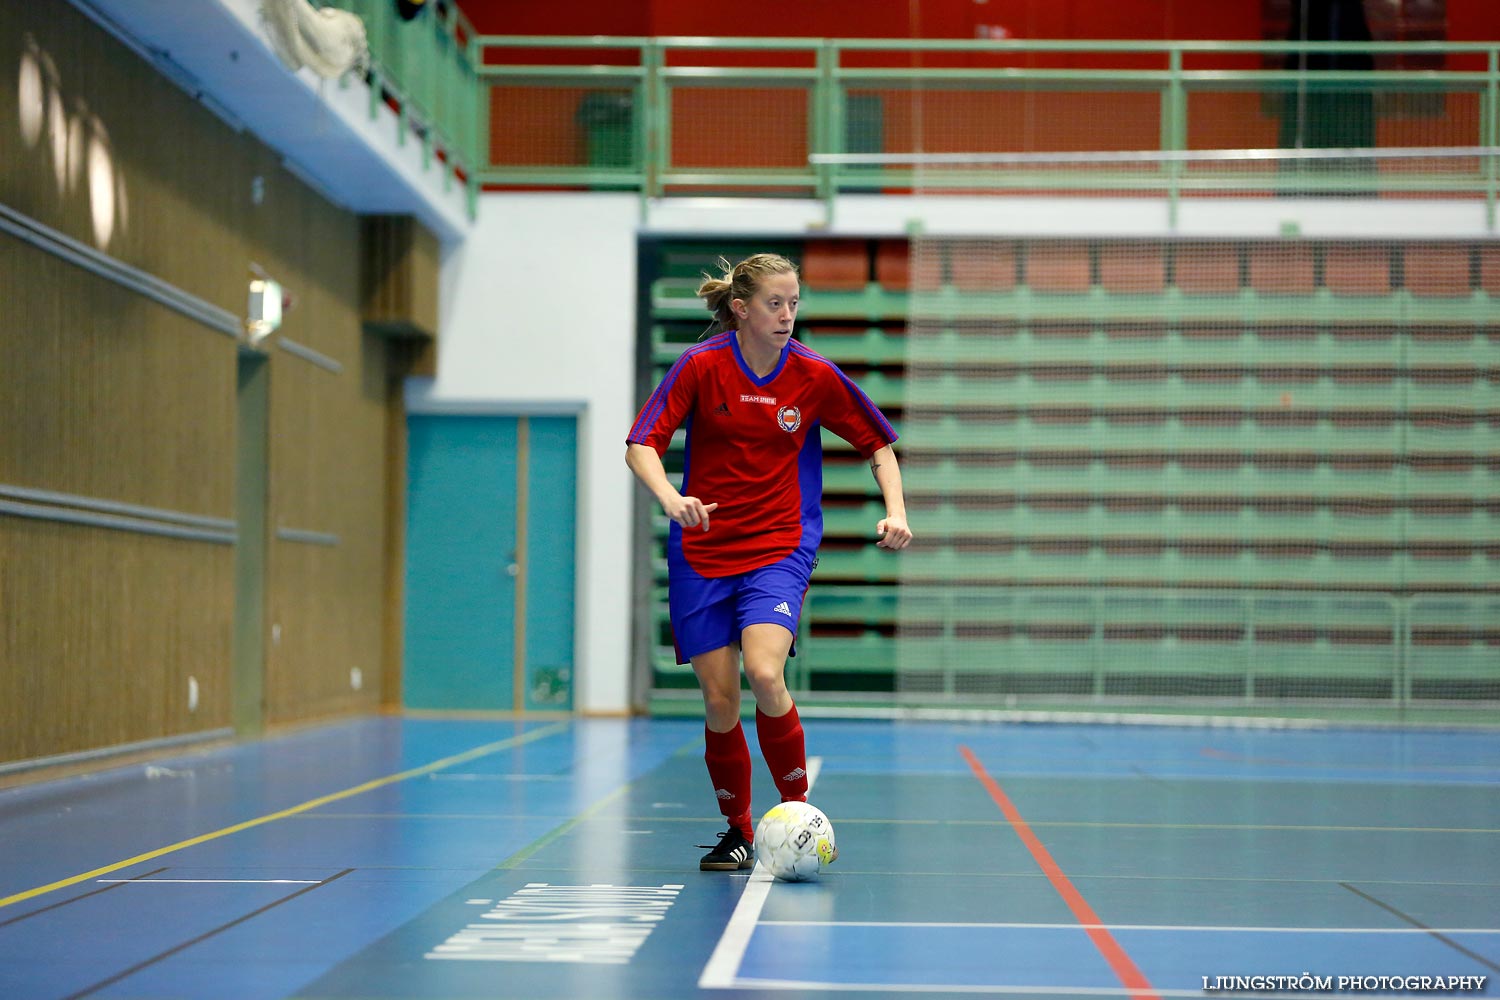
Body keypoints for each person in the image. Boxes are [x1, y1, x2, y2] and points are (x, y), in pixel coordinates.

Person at [625, 252, 912, 871]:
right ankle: (736, 828)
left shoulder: (813, 375)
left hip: (779, 548)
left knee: (764, 672)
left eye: (794, 303)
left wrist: (896, 509)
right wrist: (672, 499)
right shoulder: (701, 366)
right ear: (741, 309)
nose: (787, 315)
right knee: (720, 697)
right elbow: (641, 443)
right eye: (774, 304)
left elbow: (878, 444)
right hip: (702, 551)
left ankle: (799, 816)